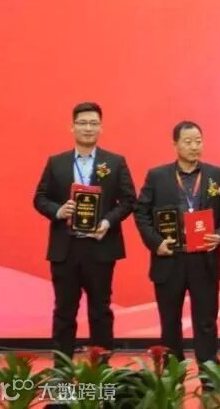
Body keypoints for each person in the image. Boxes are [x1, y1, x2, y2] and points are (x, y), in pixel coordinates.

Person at [32, 102, 136, 360]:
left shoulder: (115, 162)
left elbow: (128, 200)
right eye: (82, 123)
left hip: (100, 246)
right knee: (64, 311)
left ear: (101, 127)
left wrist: (107, 222)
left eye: (93, 123)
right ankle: (62, 370)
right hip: (65, 248)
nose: (88, 128)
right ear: (72, 127)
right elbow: (40, 198)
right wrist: (58, 211)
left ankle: (100, 370)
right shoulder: (56, 163)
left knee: (100, 311)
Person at [134, 121, 220, 366]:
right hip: (170, 258)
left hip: (204, 259)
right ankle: (172, 374)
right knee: (170, 322)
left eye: (198, 141)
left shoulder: (216, 174)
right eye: (188, 142)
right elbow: (141, 212)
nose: (194, 147)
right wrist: (156, 243)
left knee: (206, 321)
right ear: (175, 144)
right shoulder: (157, 176)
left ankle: (209, 373)